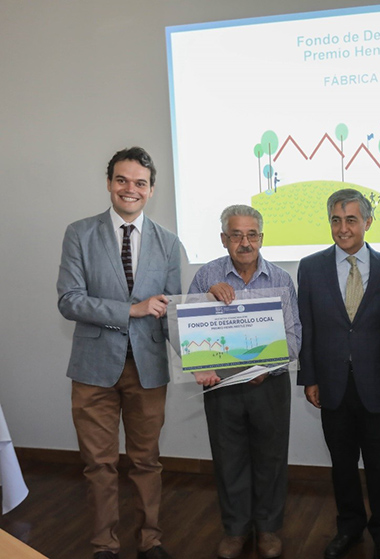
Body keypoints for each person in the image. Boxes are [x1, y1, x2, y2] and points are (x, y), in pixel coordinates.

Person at [57, 147, 181, 559]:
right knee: (99, 464)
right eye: (122, 180)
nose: (131, 189)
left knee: (147, 462)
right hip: (93, 371)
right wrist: (131, 310)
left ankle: (150, 540)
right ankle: (104, 545)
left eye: (140, 183)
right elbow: (69, 300)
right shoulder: (80, 233)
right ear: (109, 183)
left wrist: (202, 360)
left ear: (151, 189)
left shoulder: (168, 242)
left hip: (149, 370)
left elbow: (172, 312)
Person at [188, 205, 301, 559]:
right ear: (224, 239)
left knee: (271, 459)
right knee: (228, 459)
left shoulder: (281, 279)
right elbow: (185, 331)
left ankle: (267, 529)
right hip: (222, 388)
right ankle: (235, 530)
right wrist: (206, 301)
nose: (245, 242)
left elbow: (294, 336)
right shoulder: (206, 277)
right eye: (236, 235)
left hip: (270, 385)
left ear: (262, 238)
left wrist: (266, 366)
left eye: (252, 234)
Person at [298, 189, 380, 559]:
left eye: (351, 220)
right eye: (336, 220)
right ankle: (349, 527)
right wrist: (310, 377)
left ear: (368, 222)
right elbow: (307, 326)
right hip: (332, 385)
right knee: (342, 465)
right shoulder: (311, 267)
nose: (343, 228)